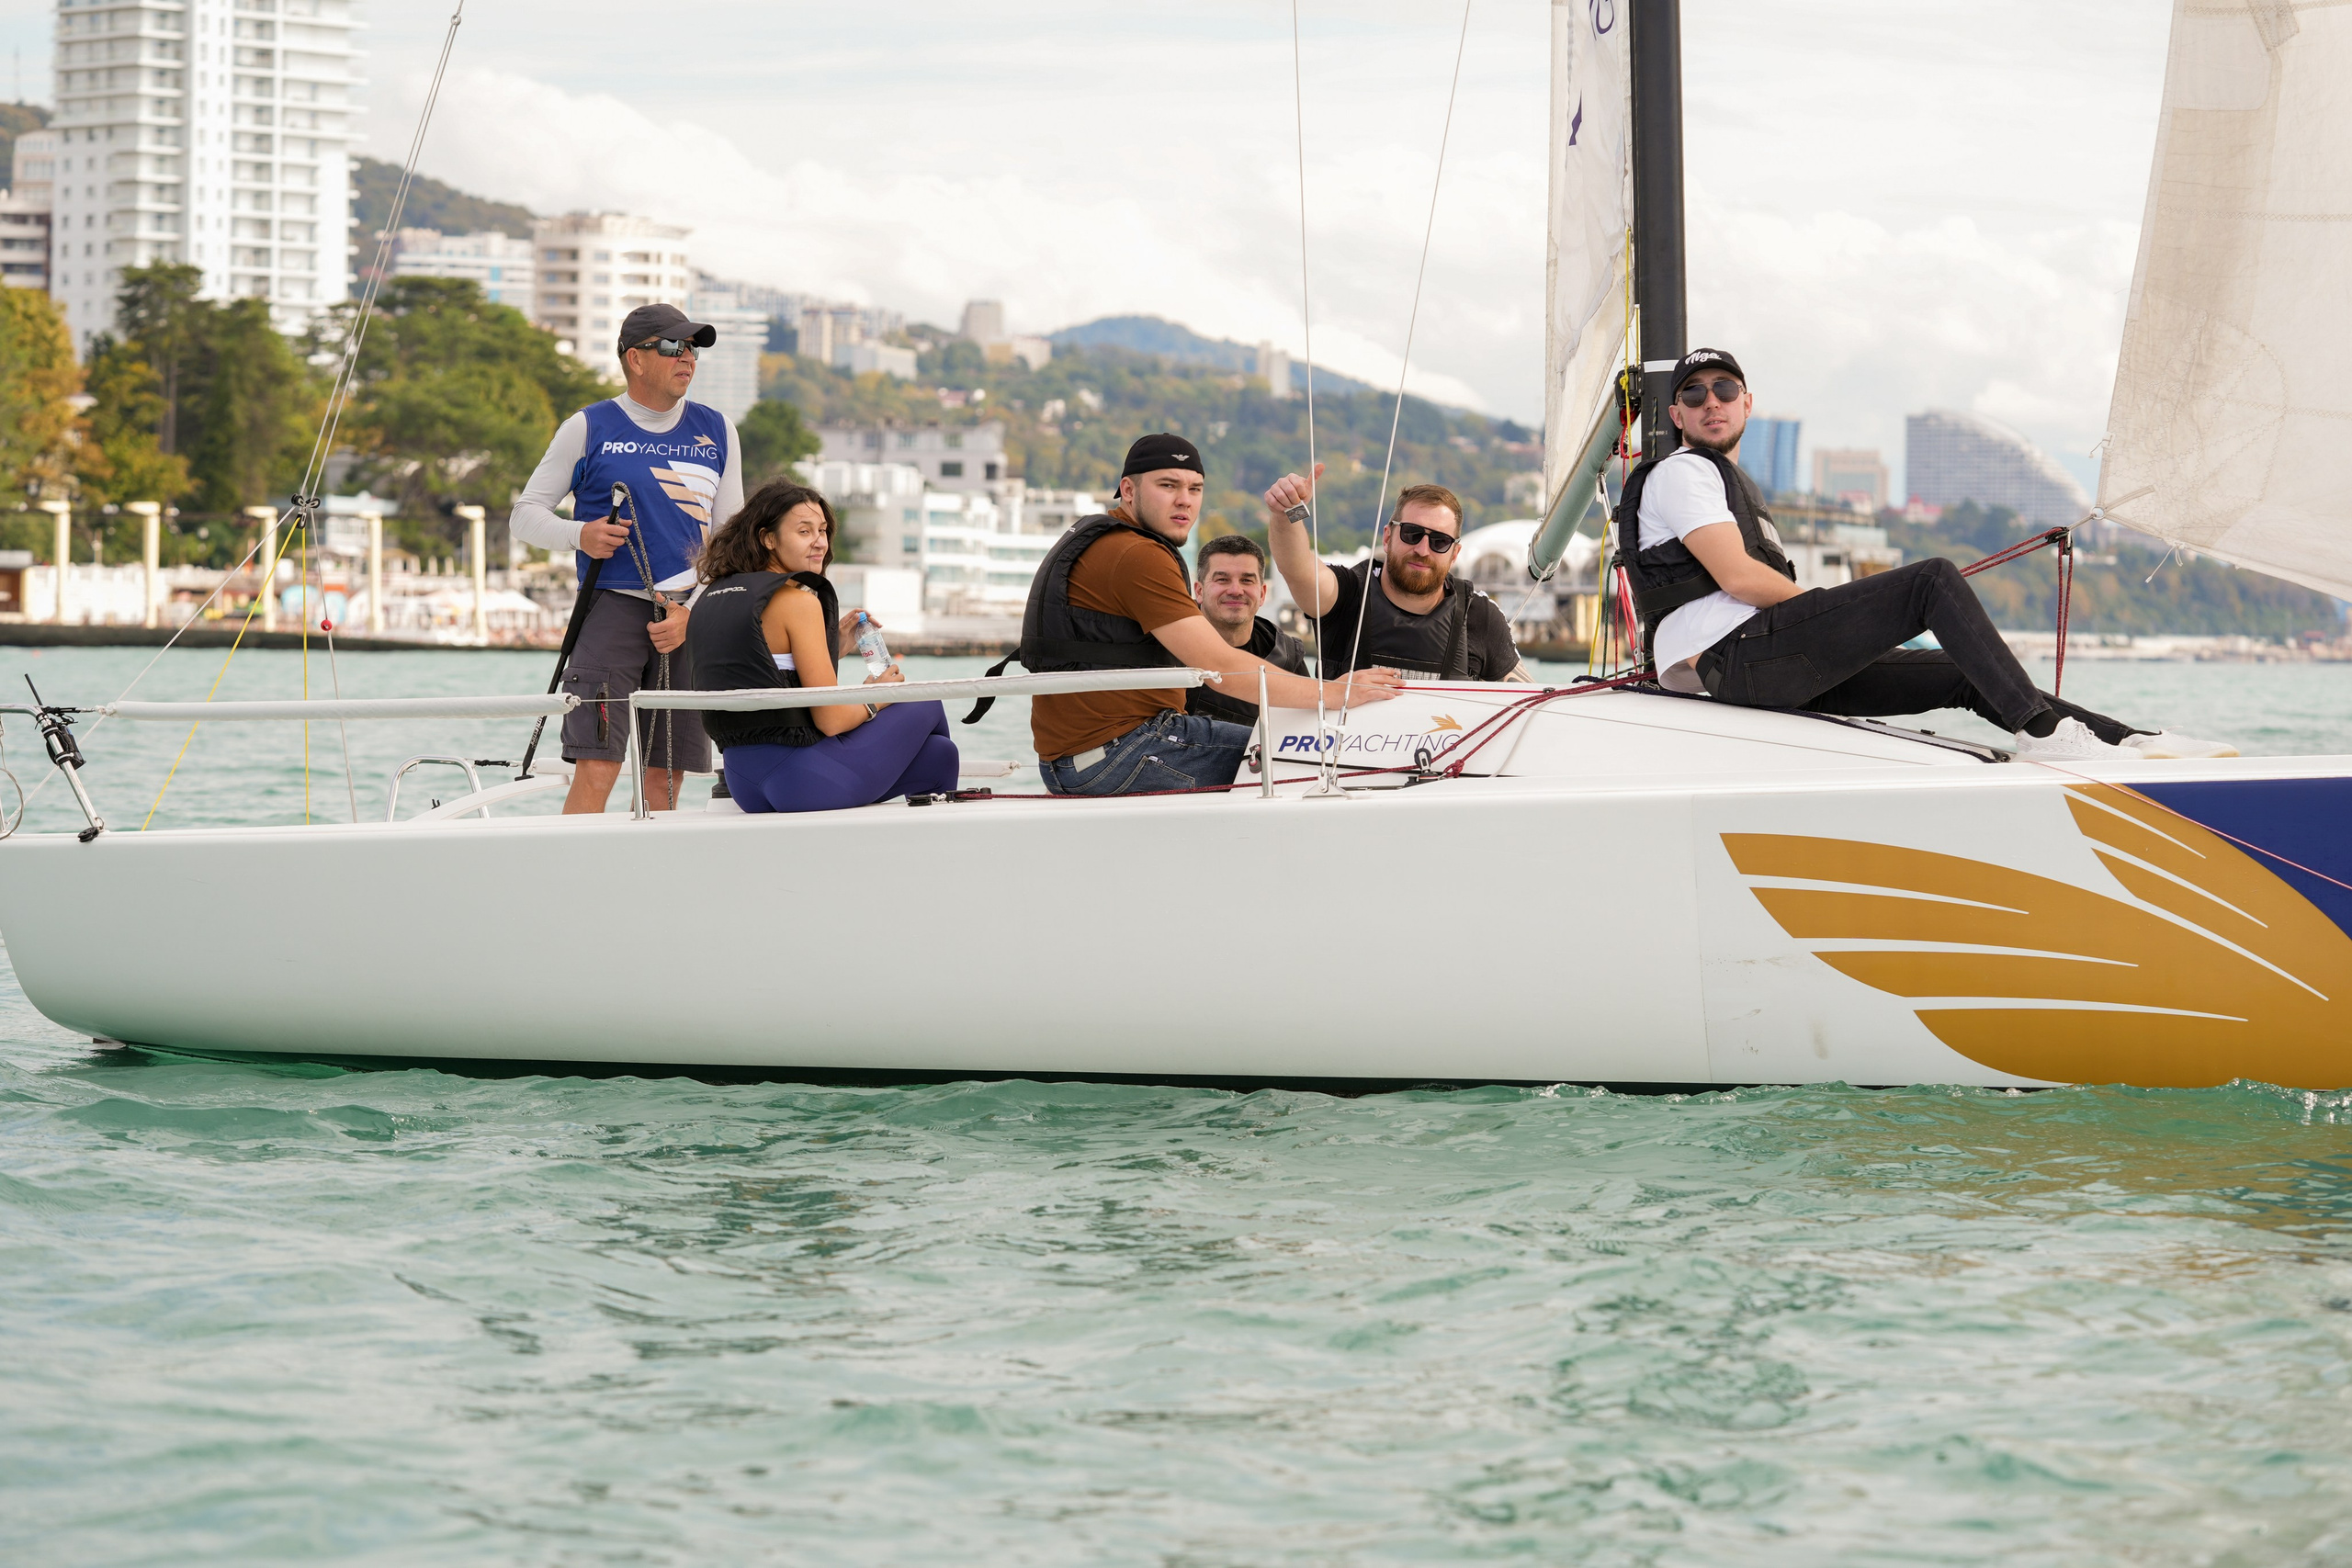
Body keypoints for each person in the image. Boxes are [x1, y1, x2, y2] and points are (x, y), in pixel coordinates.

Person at [1619, 346, 2233, 760]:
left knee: (1964, 674)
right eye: (1694, 395)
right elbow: (1739, 577)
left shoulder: (1733, 486)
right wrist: (1837, 610)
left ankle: (2130, 746)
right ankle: (2044, 733)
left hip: (1770, 666)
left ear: (1747, 402)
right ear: (1676, 414)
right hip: (1737, 661)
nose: (1711, 402)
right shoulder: (1683, 473)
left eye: (1725, 388)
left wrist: (1852, 625)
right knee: (1930, 582)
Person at [1011, 433, 1402, 796]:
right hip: (1121, 753)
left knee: (1283, 746)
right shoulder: (1137, 554)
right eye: (1168, 485)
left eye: (1194, 489)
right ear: (1128, 490)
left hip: (1078, 759)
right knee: (1322, 756)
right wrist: (1336, 693)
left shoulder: (1104, 539)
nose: (1185, 500)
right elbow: (1219, 666)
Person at [511, 302, 744, 812]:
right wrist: (581, 535)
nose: (687, 358)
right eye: (672, 346)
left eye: (693, 348)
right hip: (611, 608)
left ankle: (651, 884)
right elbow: (525, 515)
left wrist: (693, 611)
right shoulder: (587, 426)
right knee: (599, 765)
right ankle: (573, 879)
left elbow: (732, 540)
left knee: (668, 774)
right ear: (635, 359)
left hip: (686, 615)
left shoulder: (719, 430)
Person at [686, 480, 959, 813]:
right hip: (803, 778)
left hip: (744, 782)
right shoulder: (797, 602)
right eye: (804, 531)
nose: (820, 543)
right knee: (925, 700)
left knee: (940, 755)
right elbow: (830, 720)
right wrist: (877, 696)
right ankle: (942, 838)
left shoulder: (713, 598)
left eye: (823, 530)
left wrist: (831, 646)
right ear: (767, 538)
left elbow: (765, 672)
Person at [1264, 474, 1527, 682]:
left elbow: (1529, 702)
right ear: (1388, 537)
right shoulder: (1349, 594)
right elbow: (1297, 567)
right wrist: (1287, 511)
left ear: (1454, 553)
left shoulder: (1480, 616)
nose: (1423, 550)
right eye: (1412, 534)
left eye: (1439, 541)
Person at [1186, 534, 1309, 726]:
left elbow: (1305, 728)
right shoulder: (1168, 644)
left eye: (1246, 580)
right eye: (1222, 579)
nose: (1236, 590)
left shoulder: (1286, 656)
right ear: (1199, 591)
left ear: (1262, 594)